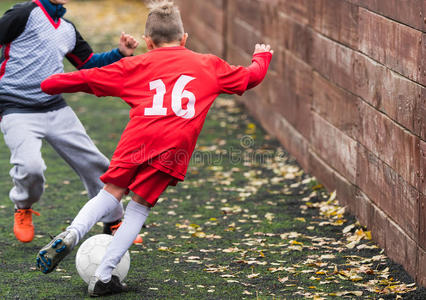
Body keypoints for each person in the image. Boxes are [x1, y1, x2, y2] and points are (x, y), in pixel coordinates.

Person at [36, 0, 273, 296]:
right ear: (184, 39)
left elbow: (88, 78)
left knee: (110, 193)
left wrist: (50, 83)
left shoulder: (135, 64)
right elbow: (251, 77)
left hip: (137, 139)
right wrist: (261, 57)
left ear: (148, 42)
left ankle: (72, 233)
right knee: (138, 207)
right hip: (173, 149)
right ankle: (103, 275)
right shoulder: (209, 65)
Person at [0, 0, 143, 243]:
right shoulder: (23, 14)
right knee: (30, 167)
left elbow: (88, 64)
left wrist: (119, 53)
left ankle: (112, 221)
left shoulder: (66, 29)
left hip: (55, 107)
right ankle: (23, 205)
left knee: (96, 164)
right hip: (16, 108)